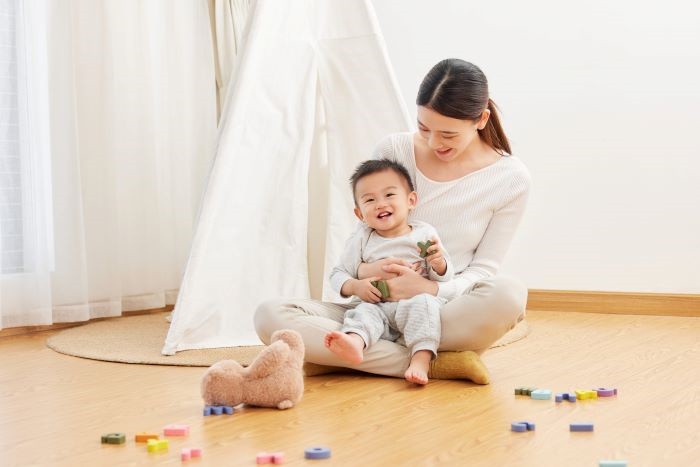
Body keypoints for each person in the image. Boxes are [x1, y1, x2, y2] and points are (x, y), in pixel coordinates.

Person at [254, 58, 531, 384]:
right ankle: (436, 362)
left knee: (510, 295)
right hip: (372, 307)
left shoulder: (511, 178)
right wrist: (365, 274)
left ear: (481, 119)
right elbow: (364, 237)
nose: (434, 143)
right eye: (424, 128)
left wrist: (429, 287)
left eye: (448, 134)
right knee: (270, 316)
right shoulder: (394, 149)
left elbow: (482, 270)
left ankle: (349, 356)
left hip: (440, 309)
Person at [325, 158, 453, 385]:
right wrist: (356, 286)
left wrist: (438, 264)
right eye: (370, 200)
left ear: (411, 200)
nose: (380, 204)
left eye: (389, 195)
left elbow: (444, 278)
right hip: (377, 306)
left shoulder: (424, 233)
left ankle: (421, 360)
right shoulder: (362, 239)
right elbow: (337, 274)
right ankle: (355, 342)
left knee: (425, 305)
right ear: (359, 214)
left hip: (413, 304)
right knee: (363, 312)